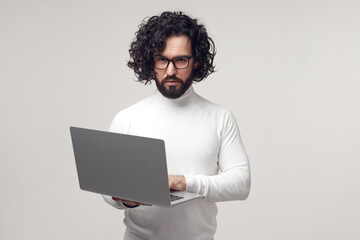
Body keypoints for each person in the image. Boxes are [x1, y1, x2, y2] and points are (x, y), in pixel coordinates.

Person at [102, 11, 251, 240]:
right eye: (162, 59)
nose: (170, 71)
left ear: (196, 61)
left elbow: (241, 183)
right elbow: (108, 189)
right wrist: (125, 199)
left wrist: (186, 183)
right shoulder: (127, 118)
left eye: (180, 60)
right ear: (150, 61)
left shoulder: (220, 117)